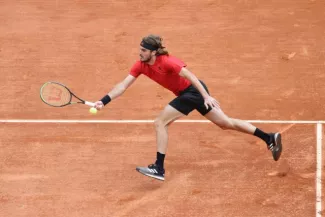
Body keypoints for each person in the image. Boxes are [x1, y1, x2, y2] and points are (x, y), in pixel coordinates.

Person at [94, 34, 282, 181]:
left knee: (160, 122)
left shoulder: (167, 61)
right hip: (189, 95)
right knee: (225, 123)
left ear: (153, 52)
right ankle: (268, 138)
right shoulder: (141, 65)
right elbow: (122, 85)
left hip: (193, 92)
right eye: (140, 49)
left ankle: (158, 168)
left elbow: (191, 76)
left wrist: (206, 96)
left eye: (143, 50)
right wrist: (104, 101)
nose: (140, 52)